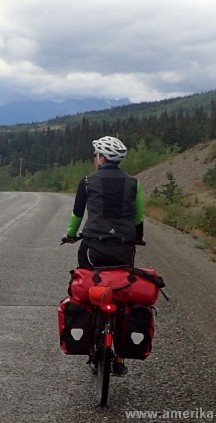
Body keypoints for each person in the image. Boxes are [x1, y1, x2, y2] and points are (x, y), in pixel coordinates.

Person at [63, 136, 145, 376]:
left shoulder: (88, 181)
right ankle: (119, 356)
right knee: (123, 291)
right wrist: (136, 238)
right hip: (123, 247)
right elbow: (138, 217)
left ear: (101, 158)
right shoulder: (134, 183)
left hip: (92, 247)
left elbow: (78, 214)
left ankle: (89, 338)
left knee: (87, 285)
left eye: (95, 155)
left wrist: (70, 235)